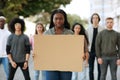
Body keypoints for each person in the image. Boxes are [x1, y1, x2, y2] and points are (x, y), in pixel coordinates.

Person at [44, 9, 73, 80]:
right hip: (50, 65)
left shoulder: (70, 33)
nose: (58, 21)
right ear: (52, 19)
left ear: (64, 19)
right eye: (56, 18)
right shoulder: (47, 33)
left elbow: (74, 49)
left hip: (66, 65)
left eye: (61, 19)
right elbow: (43, 49)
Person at [86, 13, 104, 80]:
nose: (95, 19)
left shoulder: (102, 29)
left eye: (96, 18)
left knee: (100, 69)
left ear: (98, 19)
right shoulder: (87, 29)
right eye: (93, 18)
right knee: (91, 69)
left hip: (99, 52)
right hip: (91, 51)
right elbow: (86, 41)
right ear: (91, 19)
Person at [0, 16, 11, 80]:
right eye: (0, 21)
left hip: (5, 56)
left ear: (4, 22)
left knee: (8, 73)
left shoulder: (8, 33)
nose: (1, 23)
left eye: (2, 21)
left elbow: (10, 45)